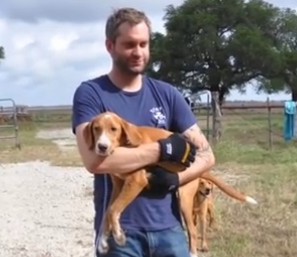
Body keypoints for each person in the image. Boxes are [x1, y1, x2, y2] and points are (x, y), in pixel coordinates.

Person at [72, 7, 215, 257]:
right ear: (110, 46)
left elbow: (207, 156)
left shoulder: (168, 94)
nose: (138, 52)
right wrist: (161, 149)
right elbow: (95, 160)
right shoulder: (91, 93)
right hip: (121, 234)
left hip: (169, 228)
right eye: (129, 44)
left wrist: (174, 180)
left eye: (143, 44)